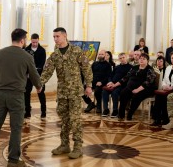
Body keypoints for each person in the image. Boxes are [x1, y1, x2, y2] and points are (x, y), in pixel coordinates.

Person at [0, 28, 42, 167]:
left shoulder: (1, 52)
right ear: (22, 40)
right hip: (16, 96)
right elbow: (34, 75)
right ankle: (12, 162)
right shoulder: (27, 56)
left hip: (0, 94)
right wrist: (39, 87)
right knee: (16, 128)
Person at [40, 27, 93, 159]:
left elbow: (86, 68)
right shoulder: (55, 55)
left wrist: (89, 85)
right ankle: (64, 145)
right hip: (62, 93)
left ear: (65, 36)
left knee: (75, 120)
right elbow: (47, 71)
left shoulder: (76, 51)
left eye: (57, 36)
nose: (55, 39)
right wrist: (40, 83)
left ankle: (78, 147)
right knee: (64, 120)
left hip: (75, 91)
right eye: (54, 37)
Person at [116, 53, 156, 121]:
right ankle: (121, 114)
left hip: (145, 89)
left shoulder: (150, 69)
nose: (141, 60)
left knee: (137, 96)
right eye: (140, 58)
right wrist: (115, 84)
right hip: (132, 87)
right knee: (123, 93)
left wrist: (138, 89)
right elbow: (126, 77)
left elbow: (148, 82)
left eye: (144, 59)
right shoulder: (134, 67)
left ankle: (130, 114)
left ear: (147, 61)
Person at [152, 51, 173, 126]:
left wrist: (172, 87)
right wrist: (164, 86)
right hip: (166, 89)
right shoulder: (168, 67)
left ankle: (166, 119)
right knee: (158, 97)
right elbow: (164, 79)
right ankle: (157, 119)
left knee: (165, 97)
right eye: (172, 58)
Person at [102, 53, 132, 117]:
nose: (122, 59)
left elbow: (126, 79)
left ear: (126, 57)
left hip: (122, 85)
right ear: (119, 59)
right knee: (104, 92)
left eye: (123, 57)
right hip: (112, 84)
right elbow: (111, 75)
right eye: (120, 58)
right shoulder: (117, 67)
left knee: (114, 93)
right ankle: (106, 109)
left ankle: (115, 110)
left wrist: (115, 84)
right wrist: (110, 82)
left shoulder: (130, 67)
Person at [24, 33, 47, 118]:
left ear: (38, 40)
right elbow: (25, 63)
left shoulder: (42, 50)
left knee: (41, 93)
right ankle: (27, 111)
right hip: (28, 76)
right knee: (26, 93)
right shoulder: (26, 50)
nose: (34, 44)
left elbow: (41, 64)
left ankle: (43, 111)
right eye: (33, 42)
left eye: (36, 42)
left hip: (39, 75)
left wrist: (35, 71)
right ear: (31, 40)